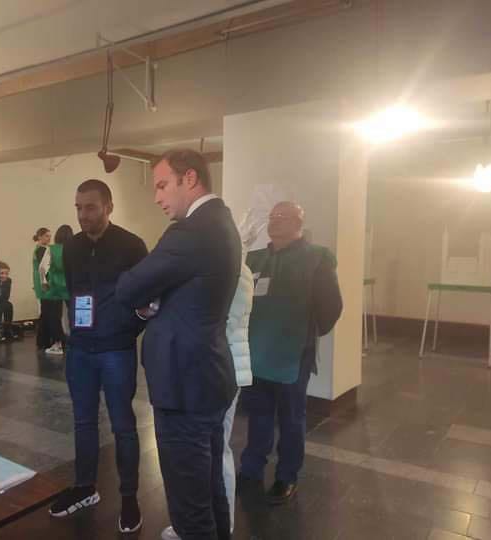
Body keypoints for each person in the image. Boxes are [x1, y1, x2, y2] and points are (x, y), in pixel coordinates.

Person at [116, 149, 241, 540]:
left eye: (161, 185)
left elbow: (129, 287)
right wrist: (158, 297)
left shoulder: (191, 230)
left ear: (190, 179)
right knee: (210, 489)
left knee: (190, 510)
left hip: (184, 386)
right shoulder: (221, 221)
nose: (157, 197)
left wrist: (148, 298)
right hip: (208, 376)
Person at [49, 179, 148, 535]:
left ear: (108, 207)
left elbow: (147, 296)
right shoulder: (71, 247)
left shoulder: (131, 246)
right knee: (83, 422)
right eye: (78, 207)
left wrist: (128, 329)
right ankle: (85, 487)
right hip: (80, 350)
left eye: (90, 207)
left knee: (123, 426)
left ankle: (130, 498)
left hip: (116, 350)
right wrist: (72, 334)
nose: (82, 215)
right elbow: (74, 292)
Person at [238, 201, 343, 504]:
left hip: (293, 355)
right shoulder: (254, 259)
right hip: (257, 354)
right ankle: (251, 469)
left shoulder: (316, 258)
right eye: (272, 216)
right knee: (258, 416)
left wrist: (304, 334)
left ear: (299, 222)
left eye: (282, 216)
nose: (274, 221)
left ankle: (287, 476)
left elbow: (331, 307)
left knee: (291, 419)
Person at [162, 261, 254, 540]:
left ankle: (222, 525)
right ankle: (203, 524)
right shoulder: (223, 268)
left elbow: (214, 324)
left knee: (218, 451)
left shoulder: (235, 271)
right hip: (215, 371)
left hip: (224, 372)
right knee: (208, 452)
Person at [32, 227, 63, 355]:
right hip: (48, 287)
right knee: (52, 315)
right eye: (46, 236)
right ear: (39, 236)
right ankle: (56, 341)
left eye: (50, 236)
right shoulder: (42, 250)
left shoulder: (41, 250)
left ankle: (43, 341)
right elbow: (45, 269)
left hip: (44, 287)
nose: (49, 238)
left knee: (45, 314)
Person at [0, 261, 16, 342]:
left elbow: (6, 296)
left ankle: (7, 329)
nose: (4, 275)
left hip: (2, 301)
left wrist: (2, 286)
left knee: (9, 305)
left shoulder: (8, 281)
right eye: (1, 273)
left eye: (6, 273)